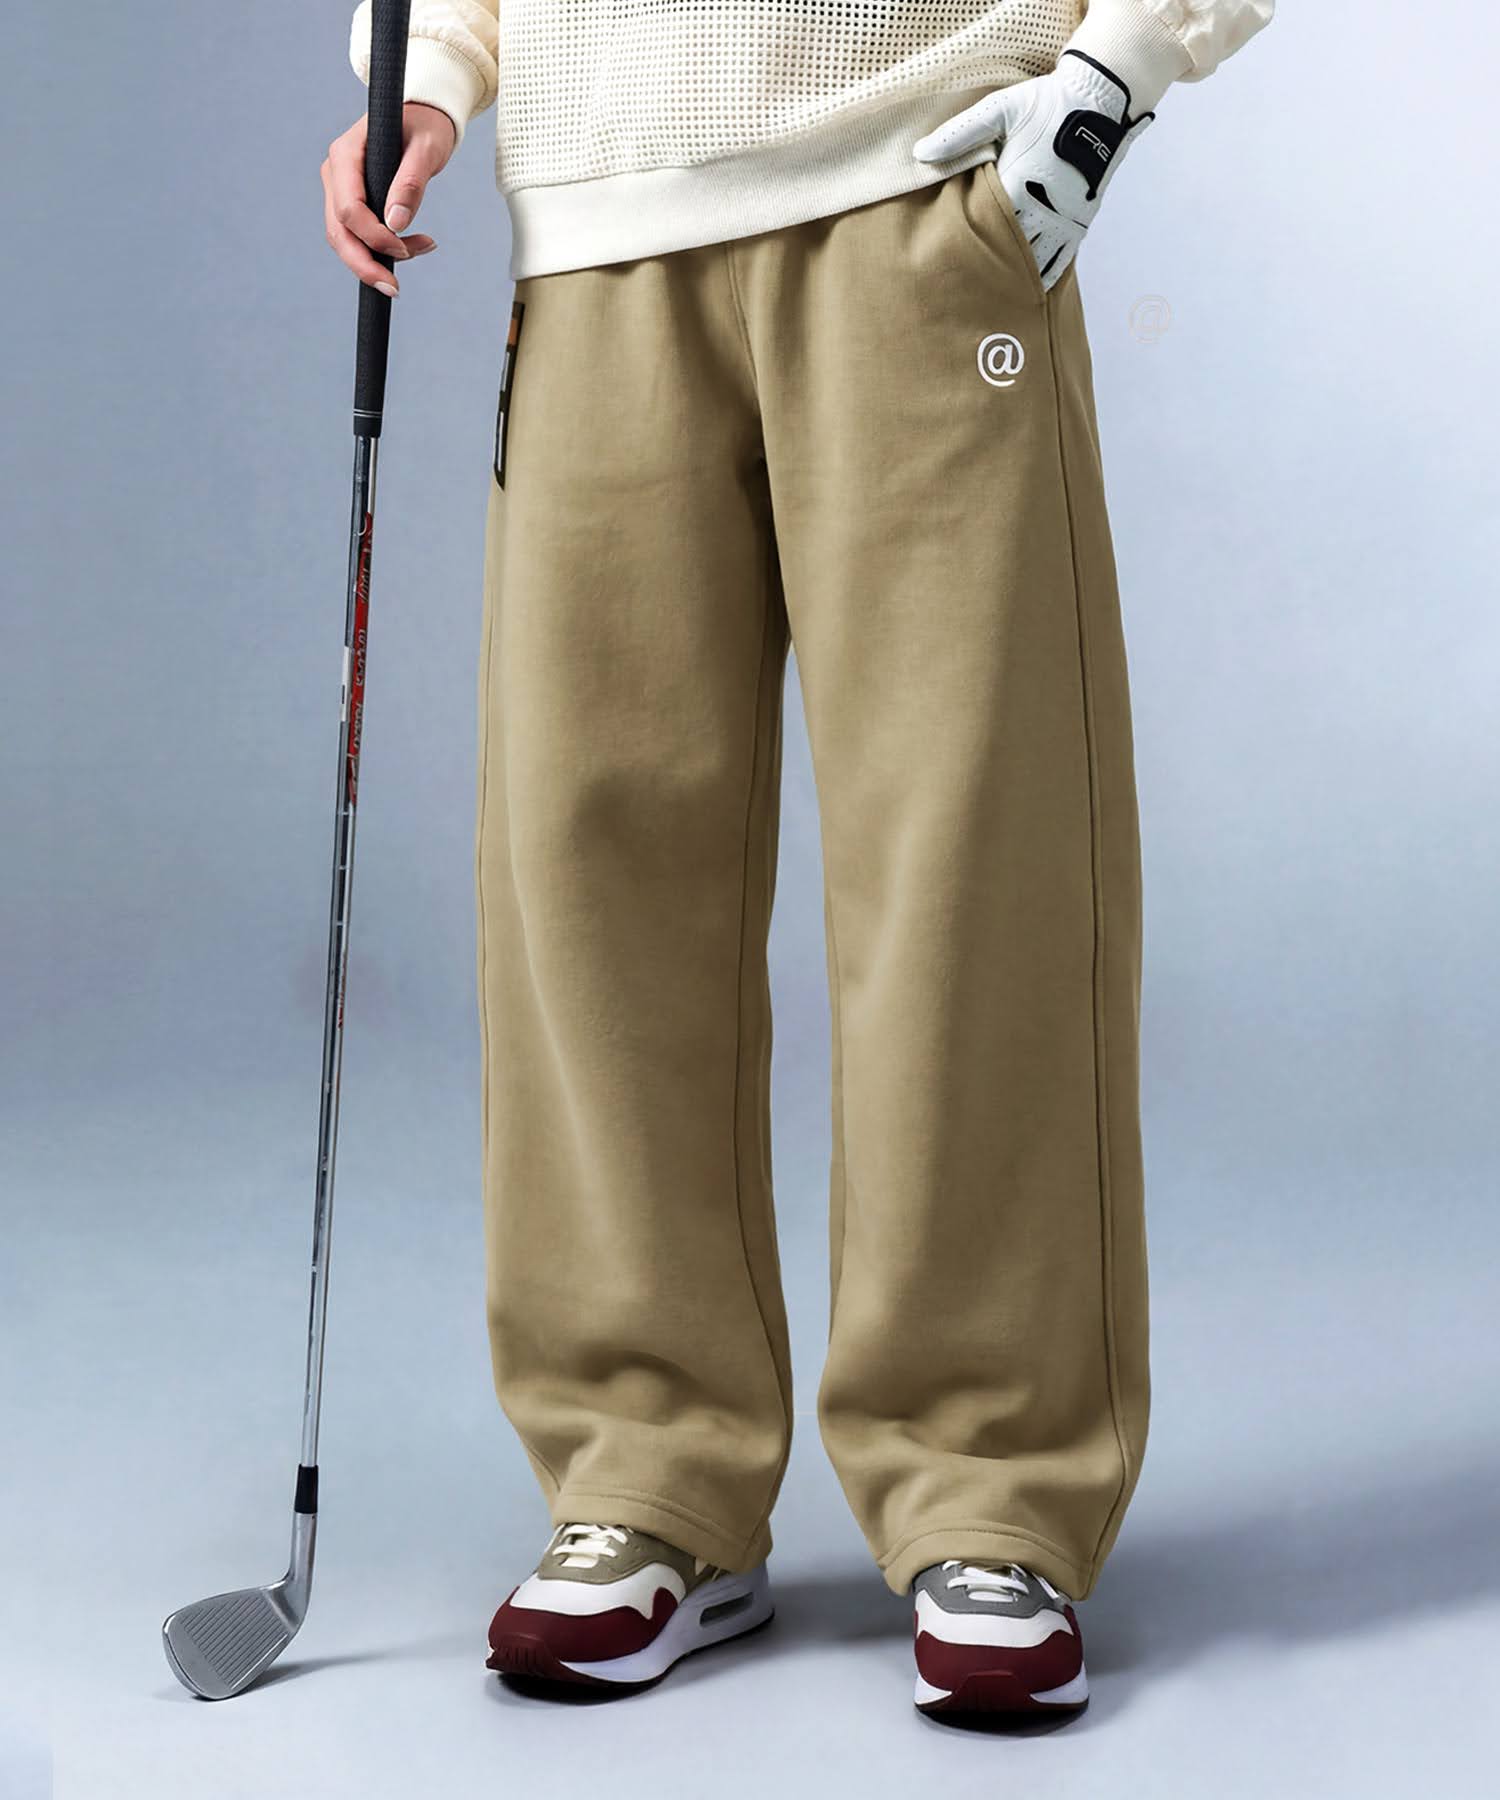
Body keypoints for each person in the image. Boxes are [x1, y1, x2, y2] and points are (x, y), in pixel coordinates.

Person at [324, 0, 1271, 1719]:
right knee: (590, 877)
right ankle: (647, 1471)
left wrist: (1113, 73)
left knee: (971, 864)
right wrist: (431, 82)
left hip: (922, 197)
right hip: (598, 238)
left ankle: (991, 1485)